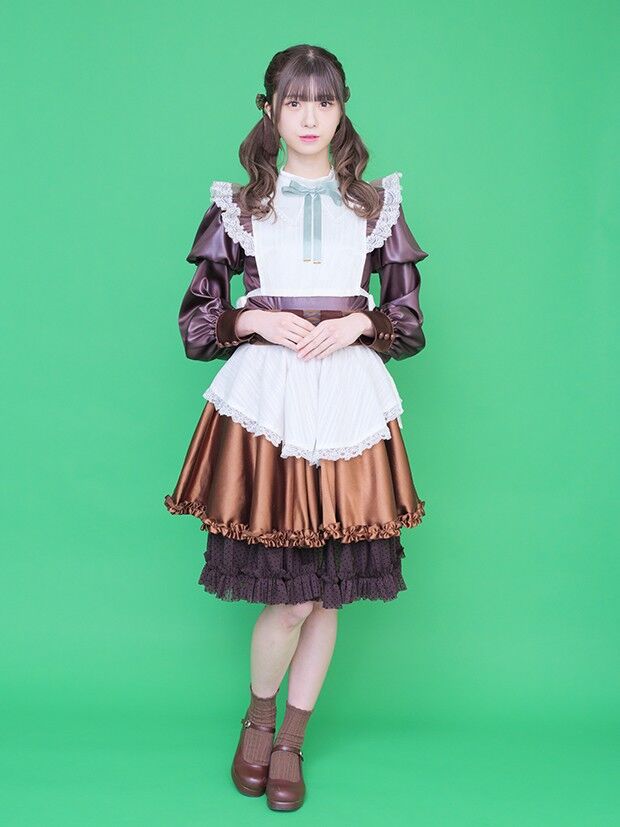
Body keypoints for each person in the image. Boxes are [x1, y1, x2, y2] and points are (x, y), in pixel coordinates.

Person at [163, 44, 429, 812]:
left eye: (324, 100)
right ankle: (257, 720)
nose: (309, 116)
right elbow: (198, 321)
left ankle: (291, 741)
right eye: (293, 101)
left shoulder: (376, 206)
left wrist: (361, 324)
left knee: (328, 596)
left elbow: (409, 323)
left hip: (348, 406)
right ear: (270, 110)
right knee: (291, 597)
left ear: (342, 109)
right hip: (270, 408)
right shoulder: (241, 206)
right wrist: (252, 319)